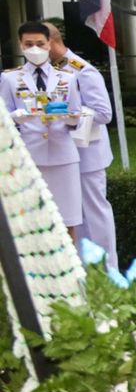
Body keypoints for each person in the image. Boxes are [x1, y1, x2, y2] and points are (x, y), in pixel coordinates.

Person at [45, 24, 116, 266]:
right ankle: (83, 271)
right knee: (74, 218)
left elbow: (104, 113)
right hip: (62, 156)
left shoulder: (81, 70)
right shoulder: (48, 72)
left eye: (40, 45)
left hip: (88, 155)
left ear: (53, 42)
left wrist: (69, 113)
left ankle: (107, 272)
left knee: (95, 216)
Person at [3, 21, 83, 237]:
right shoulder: (10, 78)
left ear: (49, 44)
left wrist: (66, 117)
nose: (35, 48)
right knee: (31, 220)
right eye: (29, 44)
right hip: (30, 156)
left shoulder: (67, 77)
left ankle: (72, 268)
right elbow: (4, 119)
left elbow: (76, 118)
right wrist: (18, 116)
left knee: (68, 219)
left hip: (63, 155)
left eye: (40, 43)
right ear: (21, 45)